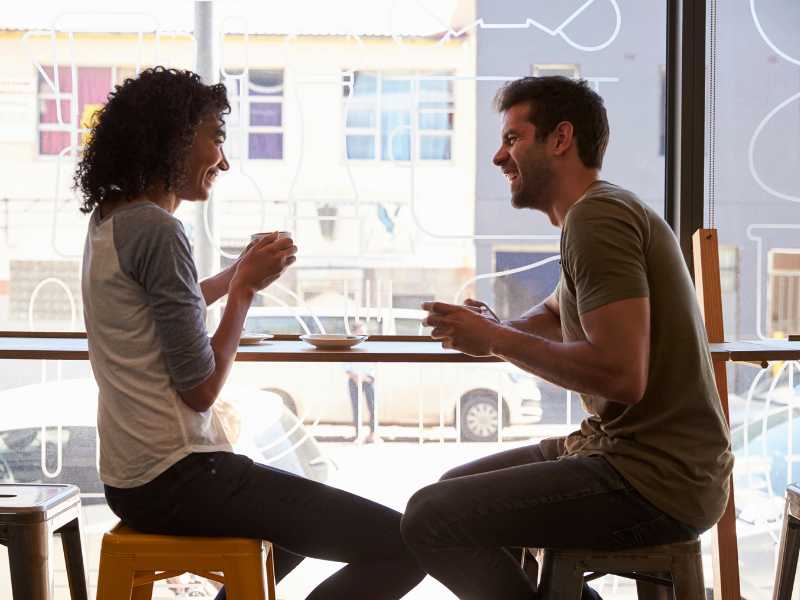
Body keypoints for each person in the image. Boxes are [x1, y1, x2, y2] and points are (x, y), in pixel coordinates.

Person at [77, 67, 423, 599]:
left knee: (296, 523)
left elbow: (165, 309)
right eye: (216, 137)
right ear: (174, 136)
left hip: (132, 480)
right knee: (403, 544)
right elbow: (201, 390)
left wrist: (238, 272)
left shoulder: (111, 219)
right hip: (181, 475)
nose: (225, 159)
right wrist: (244, 292)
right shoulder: (159, 231)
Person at [400, 76, 733, 599]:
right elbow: (558, 312)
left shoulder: (596, 219)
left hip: (655, 477)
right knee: (447, 494)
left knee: (431, 518)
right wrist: (497, 327)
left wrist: (493, 339)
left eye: (513, 139)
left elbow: (622, 376)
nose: (498, 157)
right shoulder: (597, 214)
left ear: (560, 139)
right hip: (626, 454)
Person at [344, 321, 380, 443]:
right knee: (356, 408)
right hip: (354, 380)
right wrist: (355, 377)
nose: (362, 334)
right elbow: (346, 365)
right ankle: (358, 435)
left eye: (364, 332)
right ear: (354, 333)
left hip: (369, 380)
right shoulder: (349, 346)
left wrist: (366, 377)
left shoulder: (371, 345)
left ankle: (373, 434)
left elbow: (375, 363)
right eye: (359, 332)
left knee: (373, 407)